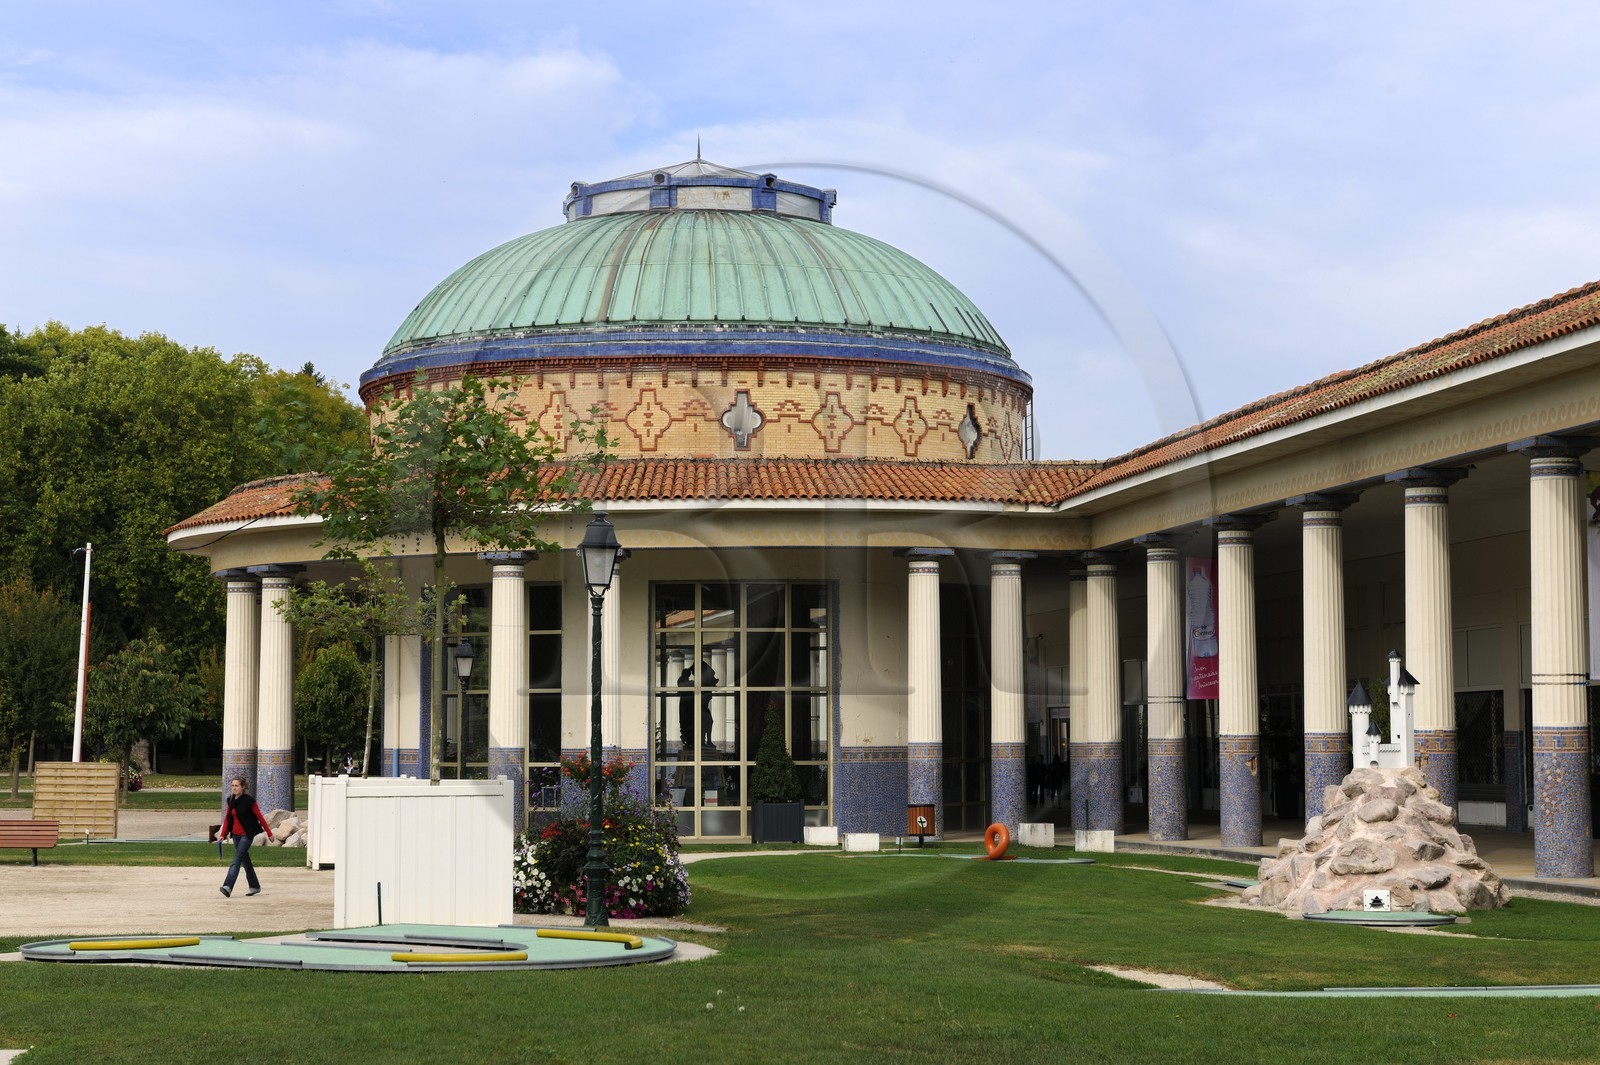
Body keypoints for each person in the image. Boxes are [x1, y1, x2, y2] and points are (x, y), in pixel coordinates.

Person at [219, 775, 273, 897]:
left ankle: (228, 886)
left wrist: (269, 833)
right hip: (236, 835)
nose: (234, 788)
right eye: (232, 786)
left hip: (246, 835)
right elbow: (227, 818)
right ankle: (255, 886)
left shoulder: (249, 801)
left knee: (236, 860)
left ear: (243, 787)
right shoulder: (231, 800)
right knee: (245, 861)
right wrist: (222, 834)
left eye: (236, 786)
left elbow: (260, 817)